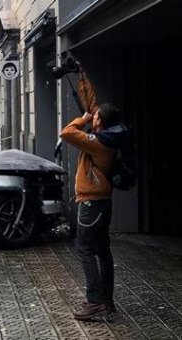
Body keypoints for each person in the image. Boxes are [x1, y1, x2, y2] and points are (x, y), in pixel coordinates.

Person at [60, 104, 128, 320]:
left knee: (86, 250)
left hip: (92, 204)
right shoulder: (107, 139)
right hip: (101, 203)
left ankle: (95, 302)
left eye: (96, 116)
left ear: (100, 121)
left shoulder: (99, 143)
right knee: (102, 251)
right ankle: (106, 301)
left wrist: (82, 118)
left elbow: (67, 133)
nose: (93, 117)